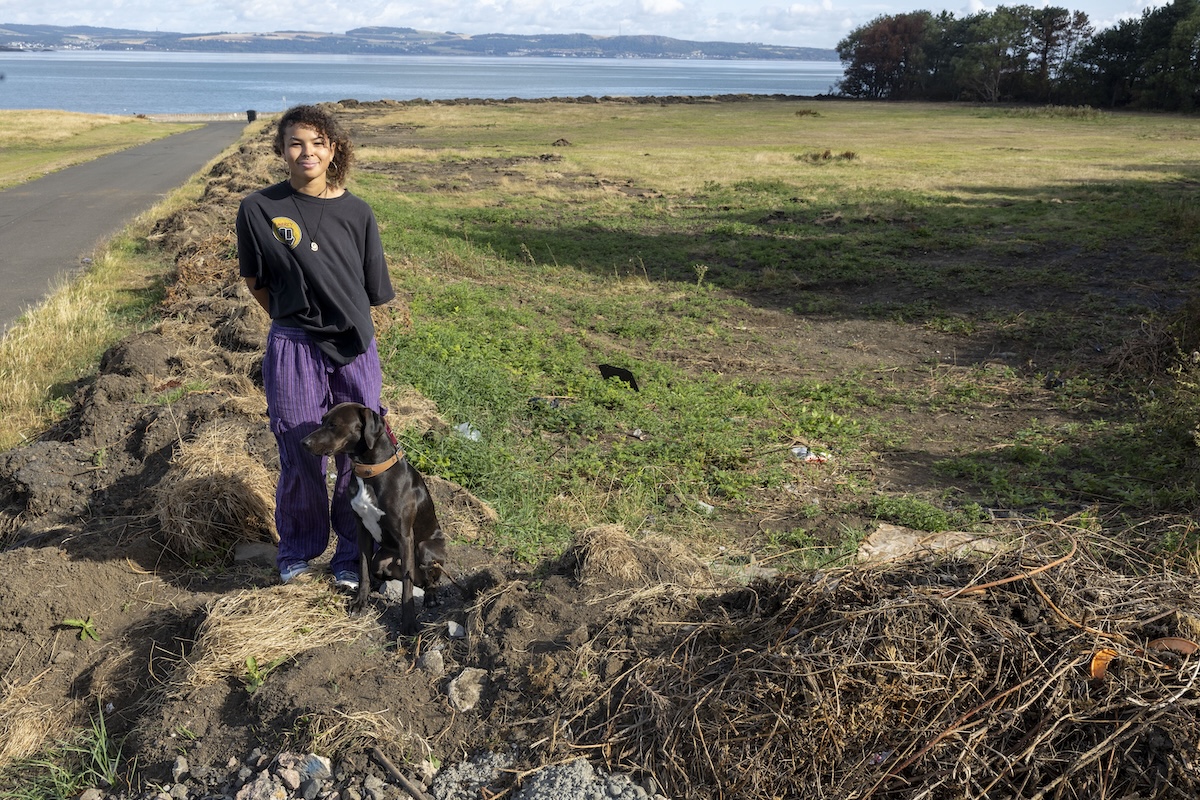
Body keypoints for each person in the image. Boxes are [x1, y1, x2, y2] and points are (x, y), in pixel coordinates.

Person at [235, 104, 395, 588]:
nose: (308, 152)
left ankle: (351, 556)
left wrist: (347, 330)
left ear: (334, 150)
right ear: (281, 150)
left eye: (318, 142)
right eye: (297, 142)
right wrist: (292, 323)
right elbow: (254, 281)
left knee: (359, 452)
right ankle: (298, 552)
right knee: (300, 446)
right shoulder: (259, 209)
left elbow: (371, 293)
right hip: (294, 346)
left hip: (354, 346)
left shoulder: (357, 212)